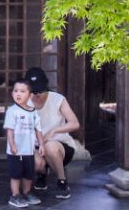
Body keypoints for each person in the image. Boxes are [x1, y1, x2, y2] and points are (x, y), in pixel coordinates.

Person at [24, 66, 79, 200]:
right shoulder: (24, 102)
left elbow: (75, 123)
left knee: (50, 147)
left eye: (40, 91)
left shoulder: (58, 99)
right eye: (33, 91)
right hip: (36, 146)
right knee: (36, 162)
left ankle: (62, 181)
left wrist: (54, 130)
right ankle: (42, 174)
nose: (37, 95)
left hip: (59, 146)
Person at [4, 78, 46, 208]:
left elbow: (38, 129)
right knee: (16, 174)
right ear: (12, 94)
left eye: (22, 91)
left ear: (29, 95)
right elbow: (10, 130)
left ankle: (27, 192)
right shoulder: (12, 111)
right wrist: (12, 145)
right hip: (15, 151)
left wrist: (42, 144)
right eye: (15, 91)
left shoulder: (33, 111)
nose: (18, 94)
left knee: (28, 174)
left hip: (28, 150)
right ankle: (15, 195)